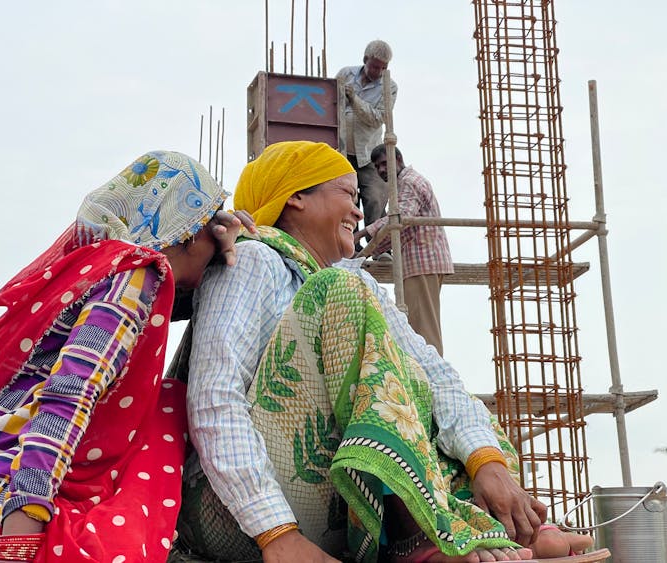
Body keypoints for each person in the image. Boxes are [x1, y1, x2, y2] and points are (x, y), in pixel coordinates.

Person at [177, 141, 593, 563]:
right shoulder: (250, 260)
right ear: (296, 197)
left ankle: (485, 519)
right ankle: (420, 534)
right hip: (234, 515)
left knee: (413, 376)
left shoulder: (359, 285)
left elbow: (435, 374)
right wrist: (274, 532)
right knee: (341, 291)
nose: (359, 212)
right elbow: (215, 398)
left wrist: (487, 462)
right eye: (348, 195)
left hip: (332, 509)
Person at [0, 150, 254, 563]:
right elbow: (72, 388)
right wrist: (25, 517)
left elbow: (156, 318)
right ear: (187, 231)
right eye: (210, 223)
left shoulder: (98, 268)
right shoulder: (135, 275)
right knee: (166, 405)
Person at [354, 144, 454, 357]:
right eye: (377, 167)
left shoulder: (408, 182)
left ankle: (432, 384)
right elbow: (397, 227)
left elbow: (399, 221)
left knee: (424, 333)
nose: (381, 170)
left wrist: (364, 236)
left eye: (384, 164)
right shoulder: (404, 184)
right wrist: (372, 248)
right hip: (421, 262)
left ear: (397, 159)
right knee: (419, 329)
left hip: (422, 262)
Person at [336, 40, 398, 242]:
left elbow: (377, 118)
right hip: (342, 153)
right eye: (375, 66)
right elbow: (329, 103)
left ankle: (380, 248)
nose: (378, 71)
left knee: (374, 199)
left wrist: (354, 99)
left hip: (369, 153)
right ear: (365, 60)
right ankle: (351, 245)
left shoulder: (389, 87)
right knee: (347, 200)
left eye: (383, 68)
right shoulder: (346, 74)